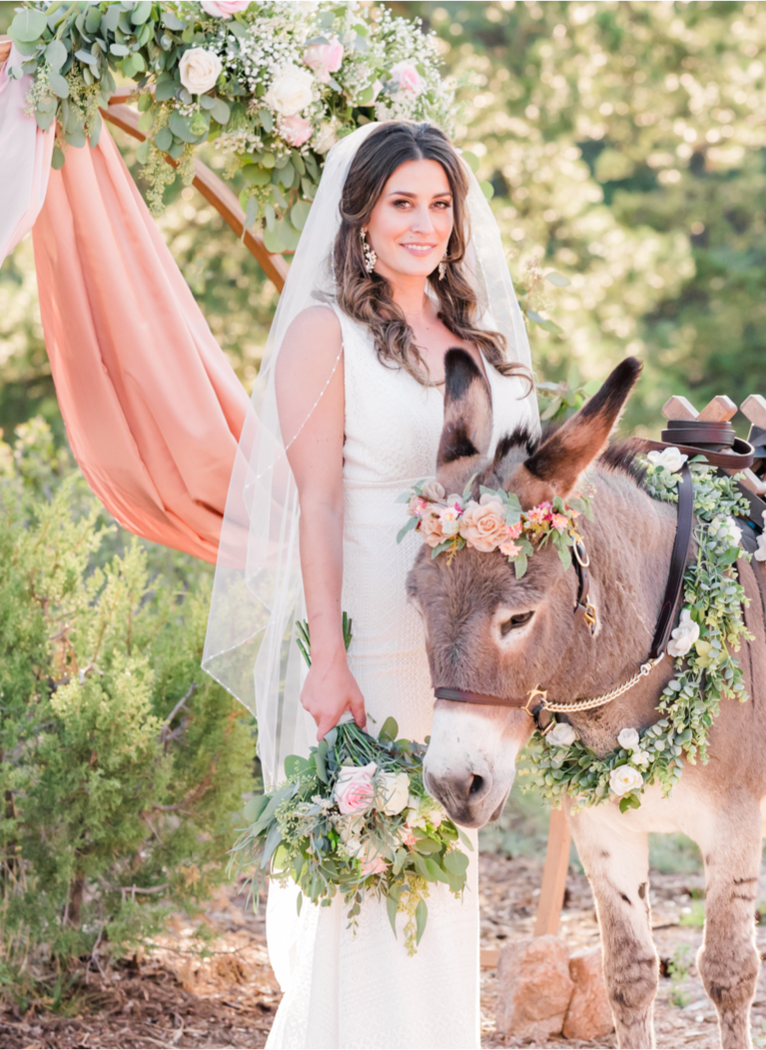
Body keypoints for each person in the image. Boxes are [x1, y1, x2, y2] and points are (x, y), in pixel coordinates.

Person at [204, 121, 539, 1048]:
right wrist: (328, 660)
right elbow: (315, 504)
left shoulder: (478, 333)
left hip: (462, 645)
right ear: (361, 214)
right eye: (403, 204)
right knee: (379, 870)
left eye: (439, 205)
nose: (423, 224)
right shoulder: (327, 332)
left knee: (446, 866)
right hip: (375, 636)